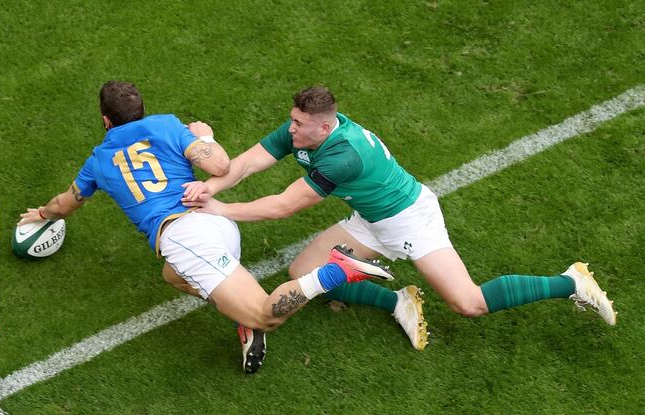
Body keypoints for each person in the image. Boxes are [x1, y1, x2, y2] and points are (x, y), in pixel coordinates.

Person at [181, 86, 617, 350]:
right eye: (291, 120)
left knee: (468, 303)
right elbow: (250, 162)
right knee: (303, 271)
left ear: (325, 127)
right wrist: (212, 187)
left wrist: (222, 210)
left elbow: (284, 206)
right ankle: (399, 302)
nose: (290, 129)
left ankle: (571, 282)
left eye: (298, 124)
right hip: (371, 218)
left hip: (409, 220)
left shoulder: (342, 156)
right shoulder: (304, 130)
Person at [19, 81, 393, 373]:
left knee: (267, 315)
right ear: (141, 109)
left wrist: (43, 215)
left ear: (105, 121)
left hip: (188, 239)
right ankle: (244, 316)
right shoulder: (167, 125)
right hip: (216, 222)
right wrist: (205, 137)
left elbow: (65, 203)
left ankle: (334, 272)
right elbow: (220, 166)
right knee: (173, 276)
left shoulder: (98, 161)